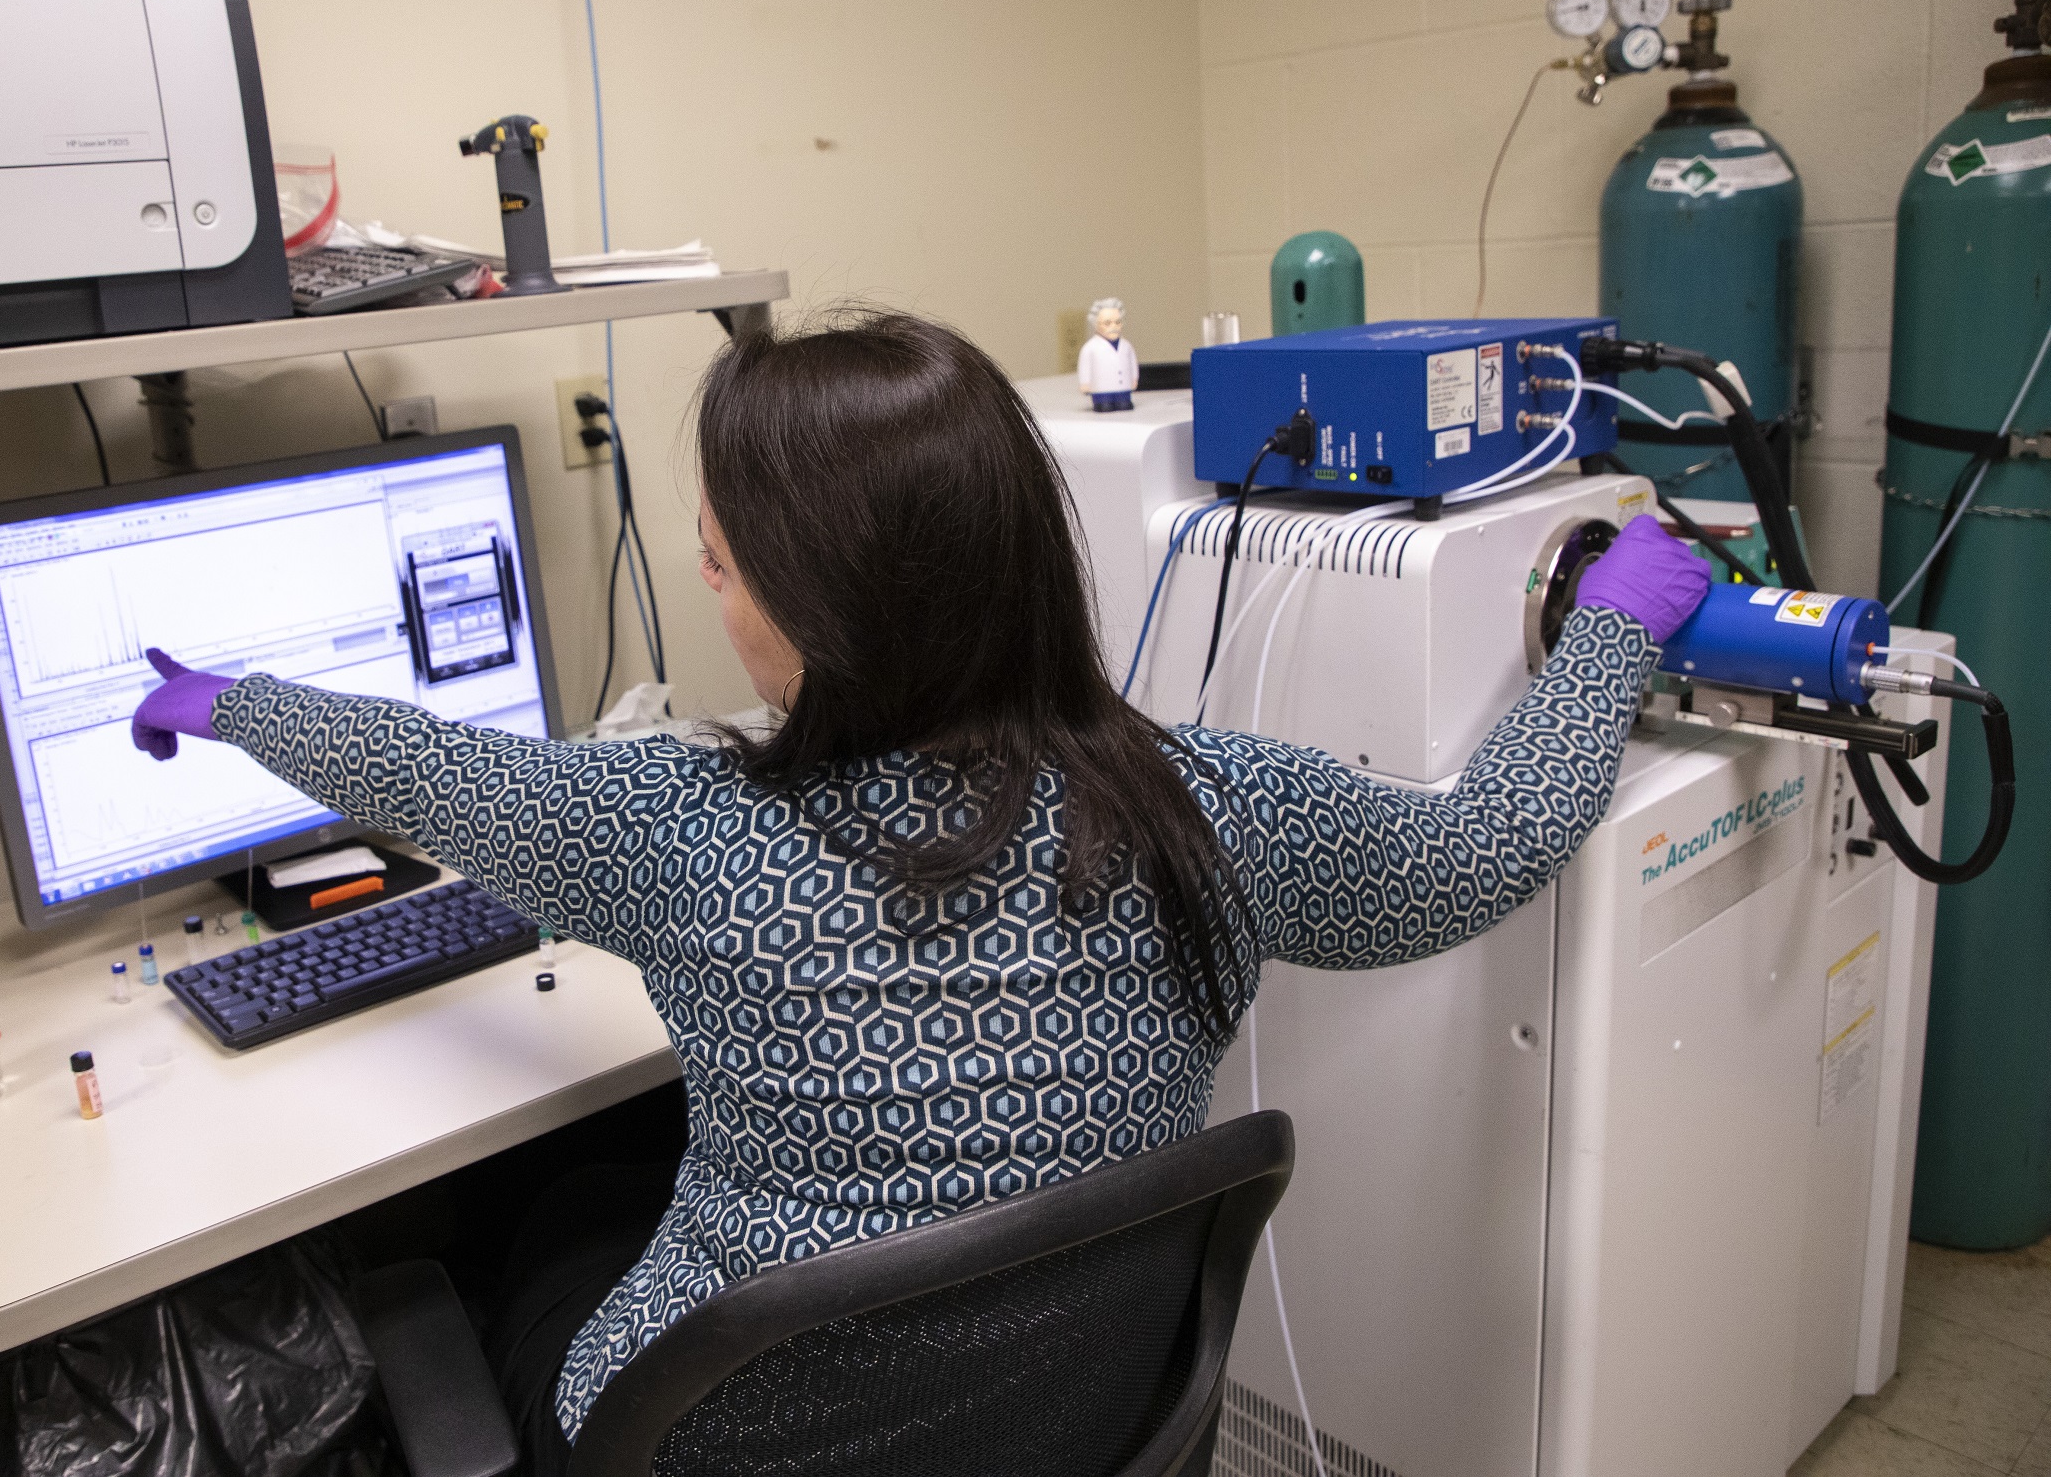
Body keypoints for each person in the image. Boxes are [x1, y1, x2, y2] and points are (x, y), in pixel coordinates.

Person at [132, 310, 1706, 1467]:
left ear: (811, 608)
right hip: (1081, 1407)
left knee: (526, 1226)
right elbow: (1480, 850)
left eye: (727, 563)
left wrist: (225, 704)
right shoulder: (1210, 809)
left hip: (726, 1436)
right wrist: (1612, 636)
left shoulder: (675, 827)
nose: (707, 584)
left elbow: (429, 777)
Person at [1075, 296, 1139, 411]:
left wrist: (1134, 379)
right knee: (1104, 406)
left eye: (1117, 322)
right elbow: (1085, 366)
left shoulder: (1126, 346)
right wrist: (1085, 383)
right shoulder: (1090, 347)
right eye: (1107, 323)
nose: (1113, 327)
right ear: (1096, 324)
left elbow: (1132, 363)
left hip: (1124, 389)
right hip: (1101, 390)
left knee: (1124, 405)